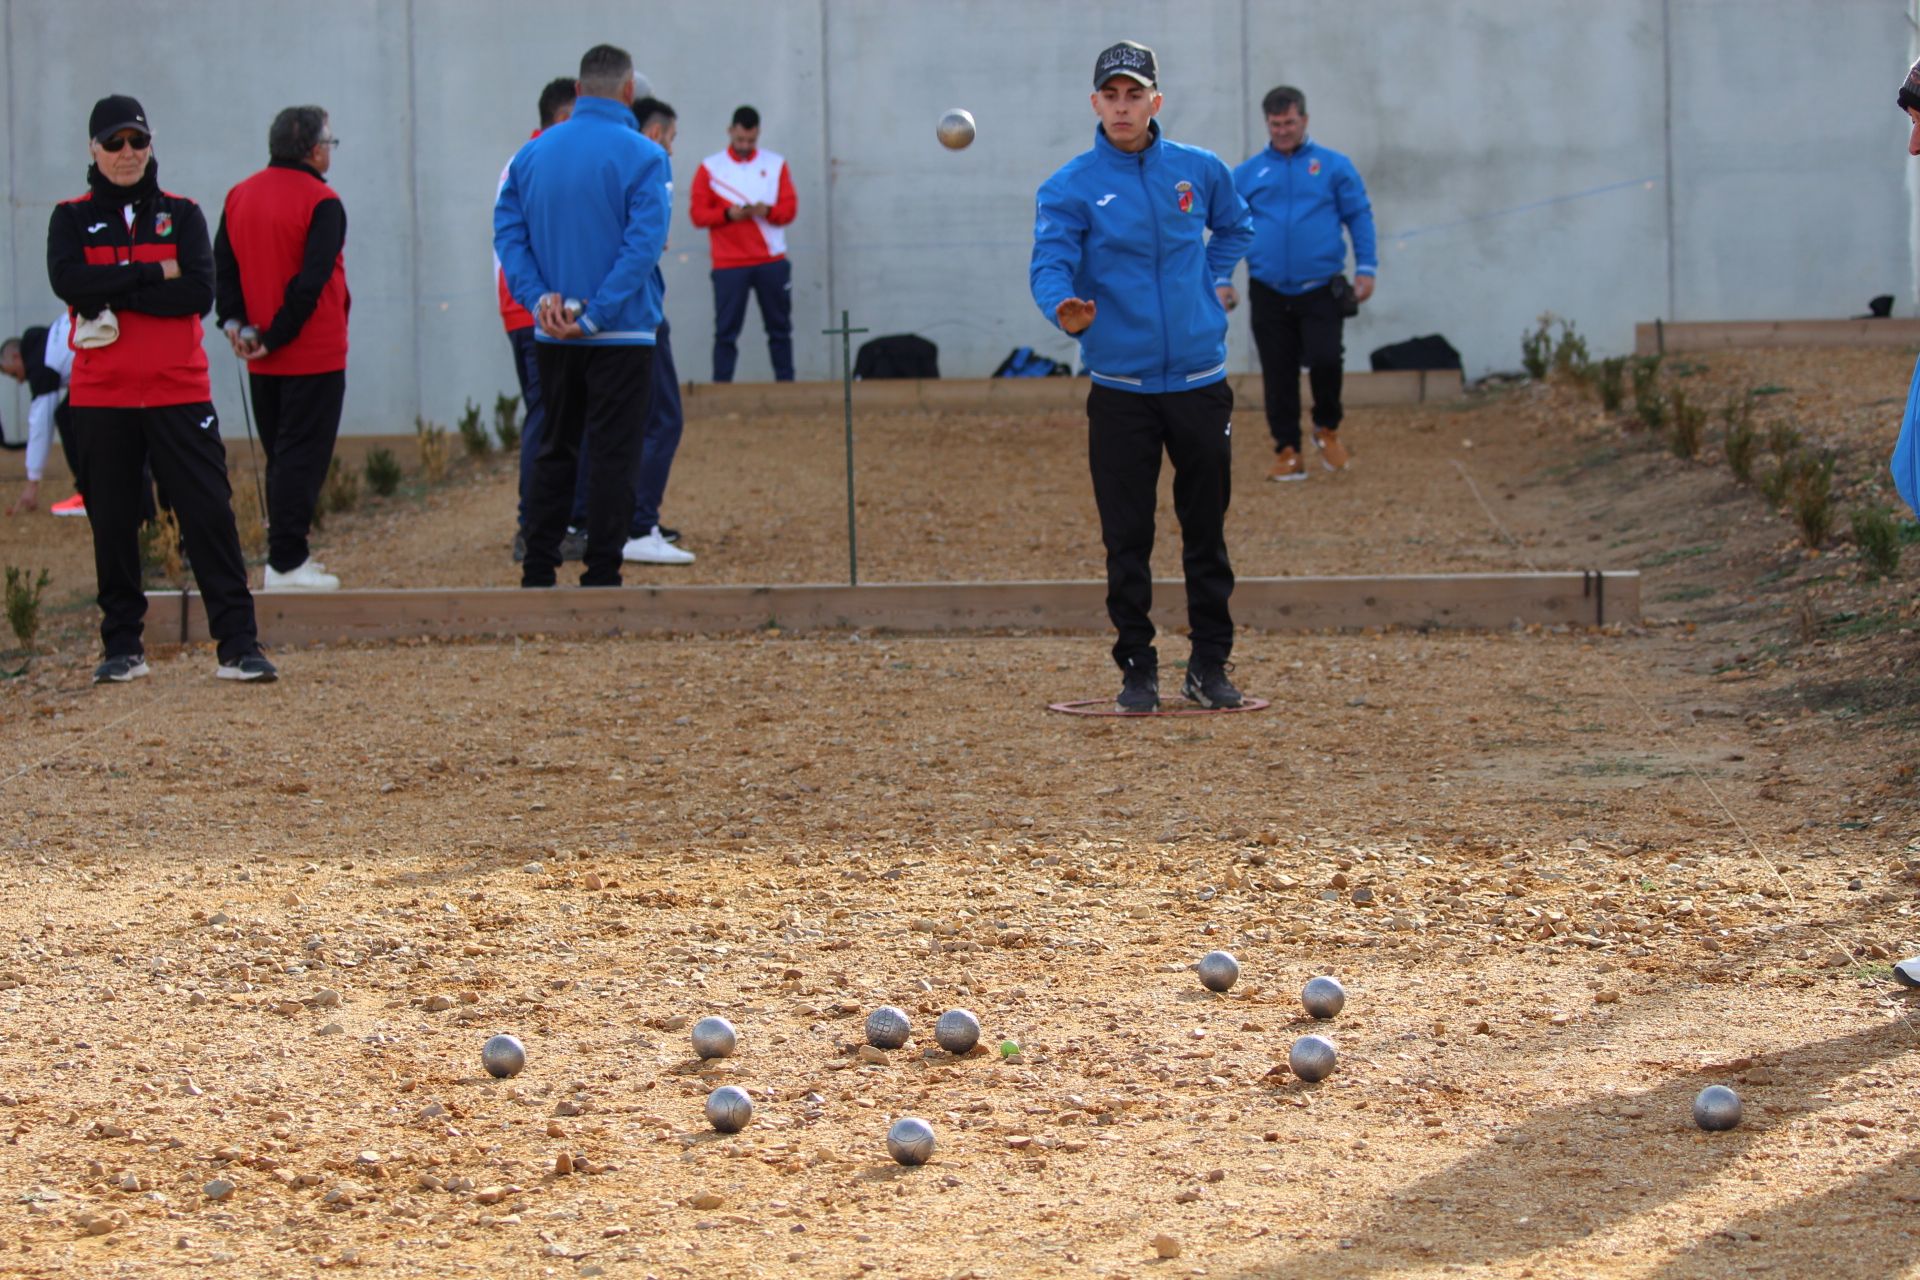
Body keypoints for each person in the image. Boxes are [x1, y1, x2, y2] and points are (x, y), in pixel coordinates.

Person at [1029, 41, 1253, 713]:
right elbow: (1051, 263)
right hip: (1122, 389)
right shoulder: (1069, 185)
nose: (1123, 107)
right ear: (1094, 103)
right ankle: (1138, 669)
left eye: (1135, 95)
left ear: (1156, 101)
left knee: (1206, 527)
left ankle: (1209, 665)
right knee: (1127, 536)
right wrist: (1063, 309)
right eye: (1111, 96)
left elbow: (1236, 230)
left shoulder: (1200, 169)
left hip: (1198, 381)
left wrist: (1216, 278)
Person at [47, 94, 275, 683]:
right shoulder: (70, 218)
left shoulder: (186, 213)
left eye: (137, 141)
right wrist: (152, 272)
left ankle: (239, 645)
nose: (127, 154)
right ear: (93, 150)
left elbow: (198, 293)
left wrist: (112, 288)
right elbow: (68, 281)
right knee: (115, 521)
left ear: (151, 145)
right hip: (102, 396)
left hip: (179, 391)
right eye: (114, 143)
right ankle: (122, 647)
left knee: (208, 515)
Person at [493, 44, 672, 587]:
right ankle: (601, 574)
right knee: (615, 455)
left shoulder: (531, 154)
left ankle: (539, 569)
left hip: (551, 332)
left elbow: (508, 235)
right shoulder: (644, 155)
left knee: (555, 447)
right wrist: (596, 314)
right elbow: (643, 247)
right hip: (622, 333)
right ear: (627, 93)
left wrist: (539, 299)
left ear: (576, 90)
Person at [214, 104, 350, 592]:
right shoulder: (322, 202)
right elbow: (310, 285)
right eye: (329, 143)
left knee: (281, 457)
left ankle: (290, 556)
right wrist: (273, 338)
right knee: (302, 459)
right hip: (311, 353)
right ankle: (287, 563)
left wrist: (237, 326)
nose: (330, 150)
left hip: (260, 358)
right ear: (314, 150)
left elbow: (223, 270)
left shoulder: (238, 195)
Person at [1232, 84, 1376, 481]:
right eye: (1275, 124)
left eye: (1289, 123)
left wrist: (1367, 268)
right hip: (1268, 288)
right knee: (1278, 374)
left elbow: (1359, 216)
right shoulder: (1246, 174)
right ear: (1267, 124)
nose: (1282, 131)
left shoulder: (1334, 167)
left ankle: (1326, 428)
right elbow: (1226, 227)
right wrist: (1220, 278)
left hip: (1321, 287)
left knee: (1327, 359)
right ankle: (1288, 449)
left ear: (1305, 120)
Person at [499, 76, 588, 567]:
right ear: (561, 119)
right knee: (547, 418)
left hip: (536, 307)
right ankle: (534, 528)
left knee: (556, 416)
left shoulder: (529, 160)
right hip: (538, 310)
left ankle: (557, 522)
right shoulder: (535, 162)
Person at [623, 95, 694, 567]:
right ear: (655, 134)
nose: (671, 150)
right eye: (670, 140)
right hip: (639, 313)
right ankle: (638, 524)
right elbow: (655, 239)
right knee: (663, 418)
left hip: (607, 314)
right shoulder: (650, 164)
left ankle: (621, 520)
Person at [690, 105, 797, 382]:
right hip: (729, 263)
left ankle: (787, 387)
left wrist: (767, 211)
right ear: (730, 131)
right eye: (740, 140)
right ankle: (721, 388)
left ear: (758, 134)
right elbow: (697, 214)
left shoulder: (775, 164)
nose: (745, 146)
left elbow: (789, 210)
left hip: (770, 260)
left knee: (780, 329)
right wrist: (727, 214)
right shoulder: (711, 167)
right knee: (726, 331)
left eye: (750, 141)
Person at [1, 314, 79, 516]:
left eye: (12, 373)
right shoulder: (48, 342)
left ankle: (87, 492)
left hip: (103, 359)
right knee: (66, 414)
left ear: (16, 357)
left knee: (68, 418)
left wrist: (32, 482)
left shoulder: (41, 363)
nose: (18, 381)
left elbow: (41, 424)